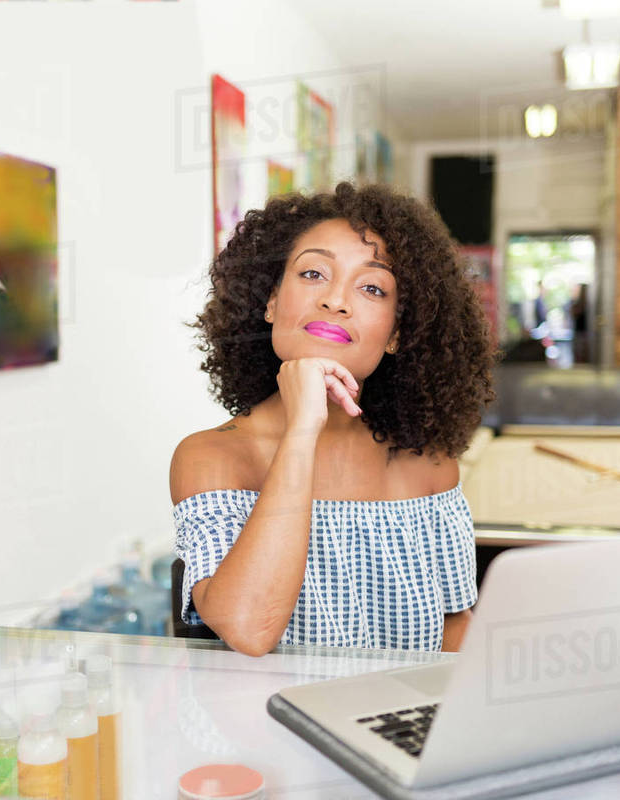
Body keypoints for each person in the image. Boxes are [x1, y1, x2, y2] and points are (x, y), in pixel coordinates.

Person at [170, 182, 495, 656]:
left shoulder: (427, 464)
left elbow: (453, 632)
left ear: (396, 335)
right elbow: (249, 630)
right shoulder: (212, 458)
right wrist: (302, 428)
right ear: (271, 302)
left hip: (395, 719)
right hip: (265, 724)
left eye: (371, 287)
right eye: (313, 273)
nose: (335, 300)